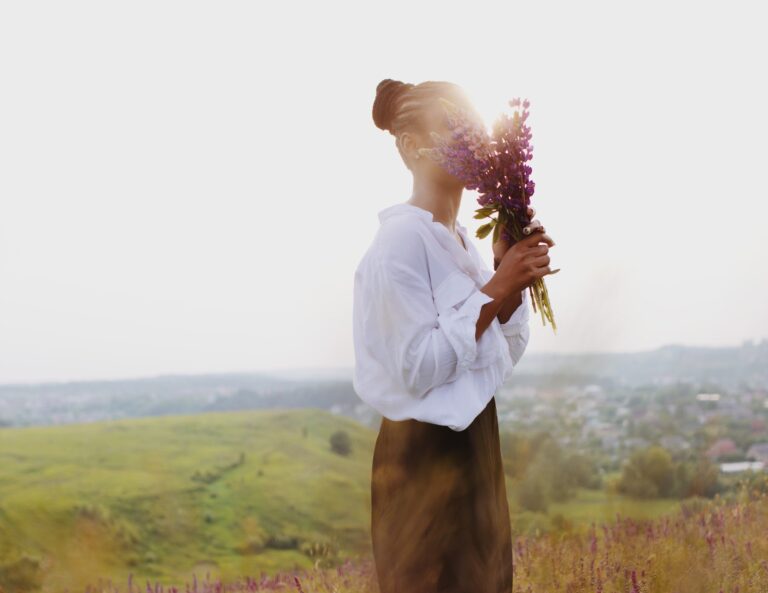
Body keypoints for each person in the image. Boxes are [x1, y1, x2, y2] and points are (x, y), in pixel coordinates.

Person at [352, 78, 557, 593]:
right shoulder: (401, 237)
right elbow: (418, 367)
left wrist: (504, 276)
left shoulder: (462, 241)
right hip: (421, 458)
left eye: (474, 131)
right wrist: (499, 284)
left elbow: (499, 356)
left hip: (477, 445)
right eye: (452, 128)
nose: (472, 143)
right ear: (408, 146)